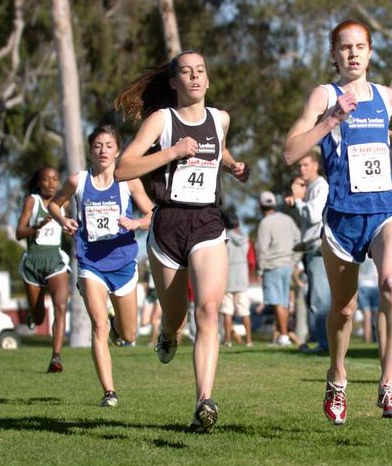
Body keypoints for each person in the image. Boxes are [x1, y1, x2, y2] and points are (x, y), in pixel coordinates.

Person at [283, 19, 392, 424]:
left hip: (386, 207)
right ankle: (337, 377)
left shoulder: (386, 95)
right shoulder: (323, 95)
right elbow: (290, 153)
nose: (352, 53)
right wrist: (330, 120)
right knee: (344, 310)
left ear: (370, 51)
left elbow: (378, 140)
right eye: (344, 47)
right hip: (343, 215)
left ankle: (389, 385)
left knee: (391, 283)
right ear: (333, 54)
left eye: (360, 46)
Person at [114, 50, 249, 433]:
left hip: (207, 219)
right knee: (176, 316)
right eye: (186, 72)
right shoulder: (162, 120)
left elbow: (217, 148)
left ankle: (204, 401)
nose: (194, 77)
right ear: (174, 82)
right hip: (168, 222)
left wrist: (232, 166)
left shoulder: (220, 119)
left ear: (207, 80)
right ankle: (167, 333)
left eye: (200, 71)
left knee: (207, 309)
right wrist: (173, 151)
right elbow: (124, 167)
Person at [48, 125, 154, 407]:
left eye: (109, 145)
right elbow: (55, 205)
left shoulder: (128, 182)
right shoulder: (78, 181)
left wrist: (136, 223)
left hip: (123, 264)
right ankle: (109, 392)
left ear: (118, 150)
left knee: (128, 335)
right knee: (99, 326)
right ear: (90, 151)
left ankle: (118, 328)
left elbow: (152, 215)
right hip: (90, 262)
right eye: (97, 145)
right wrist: (64, 221)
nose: (103, 150)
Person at [16, 167, 70, 373]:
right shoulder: (32, 201)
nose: (51, 183)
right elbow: (19, 233)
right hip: (33, 261)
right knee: (39, 319)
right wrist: (36, 226)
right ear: (39, 182)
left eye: (55, 179)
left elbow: (68, 227)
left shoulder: (62, 202)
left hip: (55, 259)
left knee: (60, 307)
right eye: (46, 179)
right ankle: (33, 315)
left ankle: (56, 358)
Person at [285, 152, 330, 353]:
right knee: (315, 296)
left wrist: (297, 200)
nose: (301, 169)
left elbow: (313, 216)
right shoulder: (311, 188)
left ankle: (325, 344)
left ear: (316, 166)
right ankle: (322, 341)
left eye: (305, 165)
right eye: (299, 166)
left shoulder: (320, 186)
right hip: (311, 248)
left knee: (320, 298)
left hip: (319, 247)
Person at [256, 191, 301, 347]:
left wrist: (260, 269)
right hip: (287, 266)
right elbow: (299, 240)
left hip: (272, 266)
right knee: (284, 302)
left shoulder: (265, 223)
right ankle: (284, 335)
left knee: (277, 303)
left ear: (260, 206)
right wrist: (294, 260)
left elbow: (262, 248)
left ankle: (283, 336)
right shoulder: (287, 219)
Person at [220, 211, 253, 348]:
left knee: (227, 312)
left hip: (227, 279)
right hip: (242, 279)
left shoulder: (224, 240)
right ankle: (249, 341)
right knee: (244, 312)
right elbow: (251, 261)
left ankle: (227, 341)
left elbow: (220, 260)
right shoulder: (247, 240)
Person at [140, 260, 162, 347]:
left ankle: (153, 341)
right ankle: (158, 334)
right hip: (150, 295)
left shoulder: (162, 267)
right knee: (144, 322)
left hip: (159, 293)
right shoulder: (148, 272)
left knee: (155, 320)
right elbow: (145, 284)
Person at [358, 256, 379, 344]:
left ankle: (366, 340)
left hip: (362, 284)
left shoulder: (360, 252)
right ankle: (378, 339)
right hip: (375, 285)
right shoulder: (375, 251)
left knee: (366, 315)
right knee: (376, 314)